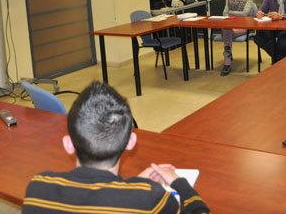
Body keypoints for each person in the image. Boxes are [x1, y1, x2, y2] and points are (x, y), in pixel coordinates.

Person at [22, 81, 210, 214]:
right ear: (131, 142)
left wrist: (133, 183)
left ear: (68, 144)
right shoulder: (149, 198)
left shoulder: (37, 188)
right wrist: (180, 184)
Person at [220, 0, 253, 76]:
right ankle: (227, 56)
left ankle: (227, 62)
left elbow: (245, 14)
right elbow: (224, 13)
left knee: (226, 33)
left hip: (244, 27)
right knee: (227, 30)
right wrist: (231, 14)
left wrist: (230, 13)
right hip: (231, 26)